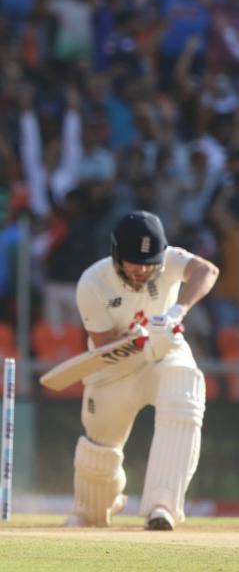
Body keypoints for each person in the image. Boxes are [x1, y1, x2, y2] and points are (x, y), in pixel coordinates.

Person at [68, 210, 219, 530]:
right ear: (117, 256)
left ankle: (161, 506)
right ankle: (95, 506)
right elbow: (107, 345)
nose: (142, 270)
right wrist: (144, 338)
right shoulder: (92, 283)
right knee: (98, 464)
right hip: (113, 368)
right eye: (134, 262)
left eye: (149, 262)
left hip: (164, 356)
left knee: (185, 390)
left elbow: (206, 270)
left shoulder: (168, 261)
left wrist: (177, 312)